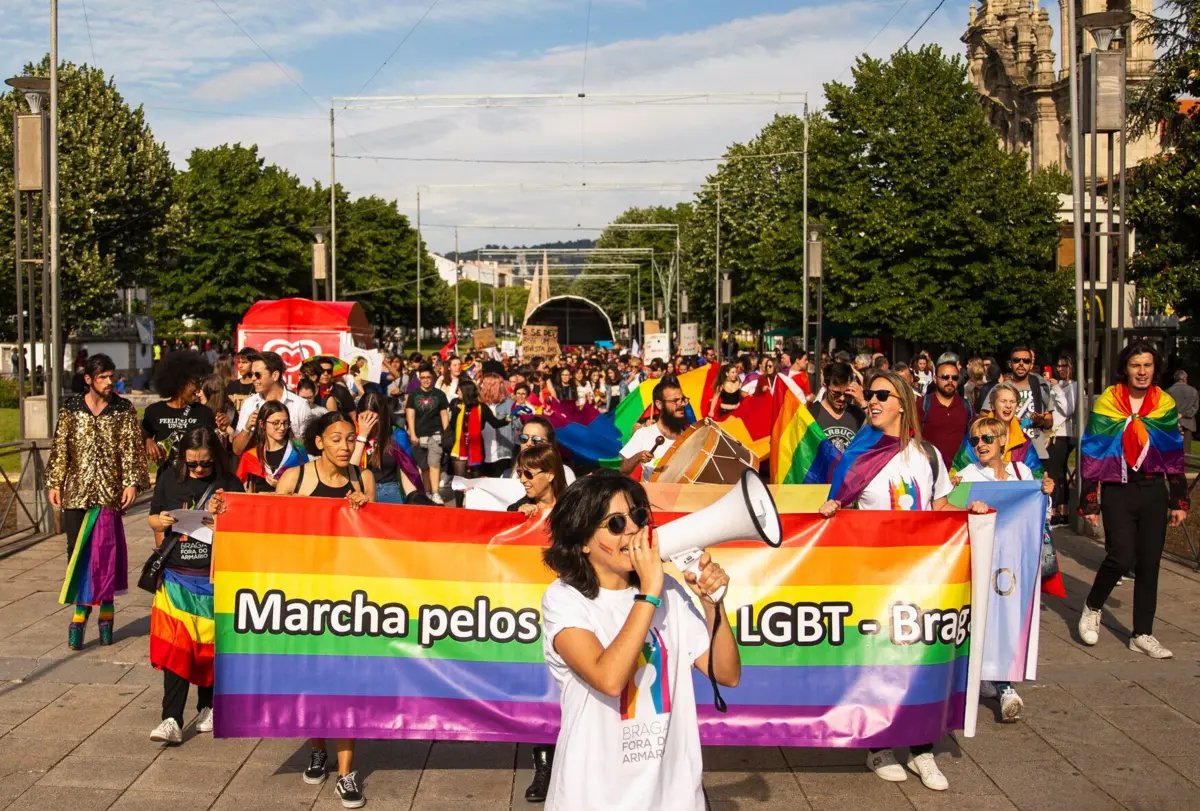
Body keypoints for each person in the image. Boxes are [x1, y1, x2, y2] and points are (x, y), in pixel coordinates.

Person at [818, 371, 987, 791]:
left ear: (902, 403)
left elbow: (941, 505)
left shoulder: (927, 455)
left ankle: (922, 748)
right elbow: (840, 507)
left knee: (921, 662)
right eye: (869, 395)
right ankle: (879, 744)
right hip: (876, 580)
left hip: (924, 577)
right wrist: (830, 512)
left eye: (879, 395)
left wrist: (971, 513)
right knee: (878, 660)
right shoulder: (859, 457)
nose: (870, 401)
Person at [539, 472, 740, 810]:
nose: (633, 529)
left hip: (671, 795)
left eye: (639, 517)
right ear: (583, 540)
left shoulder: (669, 593)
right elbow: (608, 678)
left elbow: (726, 674)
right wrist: (648, 593)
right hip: (593, 795)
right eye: (615, 523)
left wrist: (711, 604)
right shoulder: (564, 600)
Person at [273, 411, 375, 808]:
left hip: (349, 598)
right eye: (335, 439)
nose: (345, 447)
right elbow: (266, 525)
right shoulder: (295, 479)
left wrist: (365, 509)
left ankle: (347, 775)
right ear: (318, 443)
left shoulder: (362, 479)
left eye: (351, 439)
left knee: (345, 683)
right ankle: (318, 748)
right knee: (314, 678)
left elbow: (376, 537)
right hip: (305, 596)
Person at [1077, 341, 1189, 660]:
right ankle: (1092, 606)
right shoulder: (1108, 402)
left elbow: (1172, 454)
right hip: (1118, 489)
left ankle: (1142, 633)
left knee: (1150, 563)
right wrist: (1089, 502)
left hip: (1153, 489)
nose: (1142, 372)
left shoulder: (1164, 404)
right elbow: (1093, 451)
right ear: (1125, 368)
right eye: (1136, 365)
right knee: (1121, 556)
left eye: (1148, 366)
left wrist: (1178, 501)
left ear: (1156, 369)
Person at [145, 427, 241, 745]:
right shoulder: (170, 478)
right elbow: (153, 517)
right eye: (192, 463)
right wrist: (160, 522)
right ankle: (171, 718)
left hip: (214, 579)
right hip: (176, 576)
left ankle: (208, 706)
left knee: (209, 649)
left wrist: (223, 522)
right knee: (177, 649)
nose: (199, 469)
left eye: (205, 463)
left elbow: (245, 528)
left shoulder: (229, 484)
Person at [955, 415, 1054, 722]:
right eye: (975, 441)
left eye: (986, 439)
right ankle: (991, 678)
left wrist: (1045, 492)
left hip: (1014, 559)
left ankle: (1005, 683)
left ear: (1002, 441)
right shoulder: (967, 474)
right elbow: (949, 510)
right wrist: (961, 498)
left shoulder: (1021, 471)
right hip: (982, 557)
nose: (980, 445)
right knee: (983, 615)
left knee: (1009, 616)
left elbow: (1040, 512)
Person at [47, 354, 149, 650]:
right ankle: (81, 609)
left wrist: (130, 482)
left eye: (111, 376)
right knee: (75, 552)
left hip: (108, 492)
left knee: (106, 552)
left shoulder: (123, 409)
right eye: (102, 377)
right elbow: (61, 447)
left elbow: (131, 448)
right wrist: (55, 482)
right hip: (76, 492)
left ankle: (105, 611)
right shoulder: (71, 409)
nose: (109, 382)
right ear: (89, 379)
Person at [232, 351, 313, 456]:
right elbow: (236, 450)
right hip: (258, 469)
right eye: (252, 374)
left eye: (258, 374)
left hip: (291, 468)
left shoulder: (299, 405)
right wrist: (247, 428)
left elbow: (310, 448)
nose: (253, 379)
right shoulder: (250, 404)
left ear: (275, 375)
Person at [349, 390, 420, 504]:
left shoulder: (396, 435)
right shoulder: (352, 435)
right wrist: (362, 437)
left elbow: (407, 472)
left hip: (390, 493)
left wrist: (413, 499)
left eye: (372, 418)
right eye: (363, 418)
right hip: (359, 493)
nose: (368, 423)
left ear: (382, 417)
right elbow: (351, 470)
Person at [619, 379, 691, 480]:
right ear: (659, 404)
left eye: (683, 399)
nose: (682, 404)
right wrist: (638, 457)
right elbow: (623, 470)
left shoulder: (690, 437)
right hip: (653, 494)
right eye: (675, 401)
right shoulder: (643, 434)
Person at [235, 401, 306, 493]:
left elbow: (306, 487)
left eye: (285, 423)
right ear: (262, 424)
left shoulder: (297, 453)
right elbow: (242, 491)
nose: (282, 428)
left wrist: (282, 486)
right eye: (276, 423)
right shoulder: (250, 457)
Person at [406, 363, 451, 504]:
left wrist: (446, 433)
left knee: (434, 463)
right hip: (419, 435)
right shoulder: (414, 395)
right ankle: (427, 493)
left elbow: (444, 415)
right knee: (424, 467)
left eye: (428, 377)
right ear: (419, 378)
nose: (425, 380)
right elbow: (410, 415)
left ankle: (436, 492)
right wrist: (412, 434)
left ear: (433, 378)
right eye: (423, 377)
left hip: (436, 435)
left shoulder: (439, 394)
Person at [919, 359, 975, 469]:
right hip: (930, 472)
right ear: (935, 379)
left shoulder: (966, 406)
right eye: (945, 377)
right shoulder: (922, 404)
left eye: (954, 378)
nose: (950, 381)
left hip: (960, 472)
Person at [1048, 355, 1080, 524]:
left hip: (1063, 433)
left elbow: (1069, 409)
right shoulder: (1055, 385)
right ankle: (1062, 509)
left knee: (1054, 472)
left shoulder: (1075, 386)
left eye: (1064, 366)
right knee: (1059, 473)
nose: (1061, 369)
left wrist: (1057, 390)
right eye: (1058, 366)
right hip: (1052, 432)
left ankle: (1055, 510)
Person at [809, 362, 865, 452]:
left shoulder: (858, 414)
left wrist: (863, 402)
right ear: (825, 386)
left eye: (846, 392)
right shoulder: (812, 414)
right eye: (836, 393)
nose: (842, 398)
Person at [507, 417, 578, 486]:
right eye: (524, 438)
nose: (529, 443)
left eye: (536, 440)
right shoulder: (508, 475)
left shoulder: (565, 474)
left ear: (550, 444)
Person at [508, 443, 567, 518]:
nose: (522, 480)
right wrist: (518, 517)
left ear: (550, 475)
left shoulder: (573, 508)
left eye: (528, 474)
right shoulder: (516, 510)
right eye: (519, 473)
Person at [1168, 369, 1197, 452]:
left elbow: (1166, 409)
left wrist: (1177, 415)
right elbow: (1195, 408)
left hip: (1173, 423)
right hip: (1188, 423)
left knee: (1172, 450)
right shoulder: (1193, 391)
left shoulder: (1169, 391)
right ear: (1185, 378)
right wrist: (1183, 414)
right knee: (1186, 451)